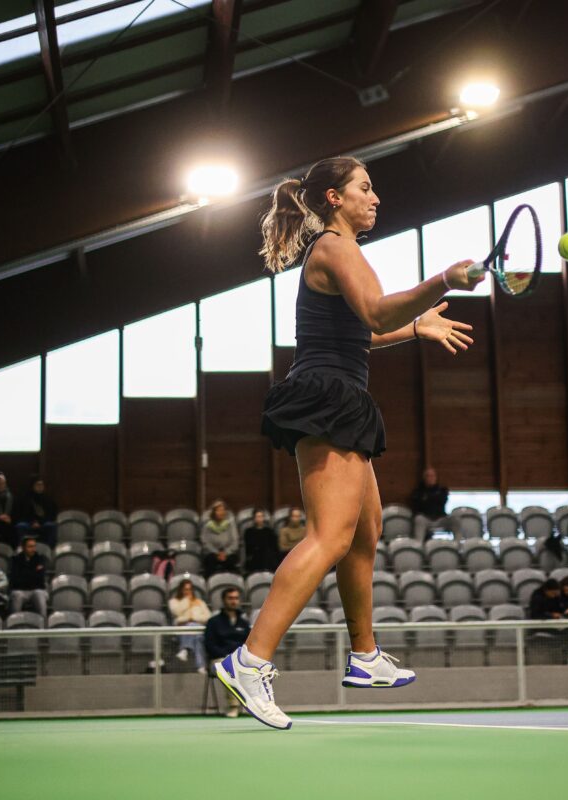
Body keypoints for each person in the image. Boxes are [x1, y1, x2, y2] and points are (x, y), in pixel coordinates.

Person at [215, 156, 482, 730]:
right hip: (328, 398)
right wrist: (441, 280)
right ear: (335, 198)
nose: (376, 197)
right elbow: (377, 311)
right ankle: (249, 660)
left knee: (365, 532)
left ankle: (365, 656)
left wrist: (417, 326)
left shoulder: (340, 252)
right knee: (330, 536)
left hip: (339, 394)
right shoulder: (336, 248)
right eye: (365, 187)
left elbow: (363, 328)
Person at [204, 588, 251, 718]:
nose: (233, 601)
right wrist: (226, 656)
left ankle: (259, 706)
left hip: (240, 659)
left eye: (236, 598)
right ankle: (233, 706)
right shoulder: (213, 622)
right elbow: (210, 645)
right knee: (228, 668)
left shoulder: (244, 623)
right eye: (230, 598)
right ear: (224, 600)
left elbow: (248, 644)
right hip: (219, 660)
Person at [169, 578, 211, 672]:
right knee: (196, 635)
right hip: (181, 631)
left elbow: (208, 617)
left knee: (196, 632)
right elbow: (176, 613)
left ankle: (185, 649)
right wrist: (187, 601)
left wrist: (192, 618)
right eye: (185, 589)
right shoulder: (174, 602)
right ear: (181, 590)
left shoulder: (199, 602)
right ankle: (201, 666)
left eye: (189, 589)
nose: (188, 592)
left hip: (199, 629)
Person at [9, 536, 49, 618]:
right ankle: (14, 621)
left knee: (39, 594)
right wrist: (34, 571)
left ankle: (43, 622)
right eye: (30, 547)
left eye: (34, 546)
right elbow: (15, 579)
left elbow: (40, 579)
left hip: (37, 589)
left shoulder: (40, 559)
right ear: (23, 548)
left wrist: (25, 573)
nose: (33, 549)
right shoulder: (15, 560)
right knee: (16, 595)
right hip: (20, 590)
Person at [15, 476, 58, 547]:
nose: (40, 487)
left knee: (52, 526)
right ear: (33, 486)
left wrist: (40, 522)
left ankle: (48, 548)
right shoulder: (25, 499)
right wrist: (32, 522)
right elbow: (22, 514)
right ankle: (22, 548)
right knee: (21, 526)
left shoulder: (48, 499)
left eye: (41, 485)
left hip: (43, 523)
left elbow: (52, 515)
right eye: (38, 485)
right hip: (28, 523)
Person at [410, 467, 452, 540]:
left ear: (436, 477)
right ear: (424, 478)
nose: (430, 478)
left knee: (455, 519)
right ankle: (418, 544)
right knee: (418, 519)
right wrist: (433, 499)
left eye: (432, 476)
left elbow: (442, 501)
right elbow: (419, 505)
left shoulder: (442, 490)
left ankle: (457, 543)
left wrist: (427, 499)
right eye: (428, 476)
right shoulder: (418, 492)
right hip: (425, 518)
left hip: (440, 518)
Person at [201, 499, 240, 576]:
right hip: (212, 553)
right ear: (214, 512)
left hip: (228, 552)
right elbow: (205, 542)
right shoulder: (208, 526)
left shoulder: (230, 525)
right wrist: (217, 553)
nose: (221, 512)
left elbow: (235, 541)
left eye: (222, 510)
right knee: (210, 561)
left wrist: (226, 553)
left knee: (231, 561)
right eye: (218, 510)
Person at [243, 510, 281, 574]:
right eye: (257, 517)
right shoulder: (249, 532)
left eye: (261, 516)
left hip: (267, 556)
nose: (259, 519)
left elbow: (274, 546)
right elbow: (249, 548)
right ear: (254, 518)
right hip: (254, 556)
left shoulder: (269, 531)